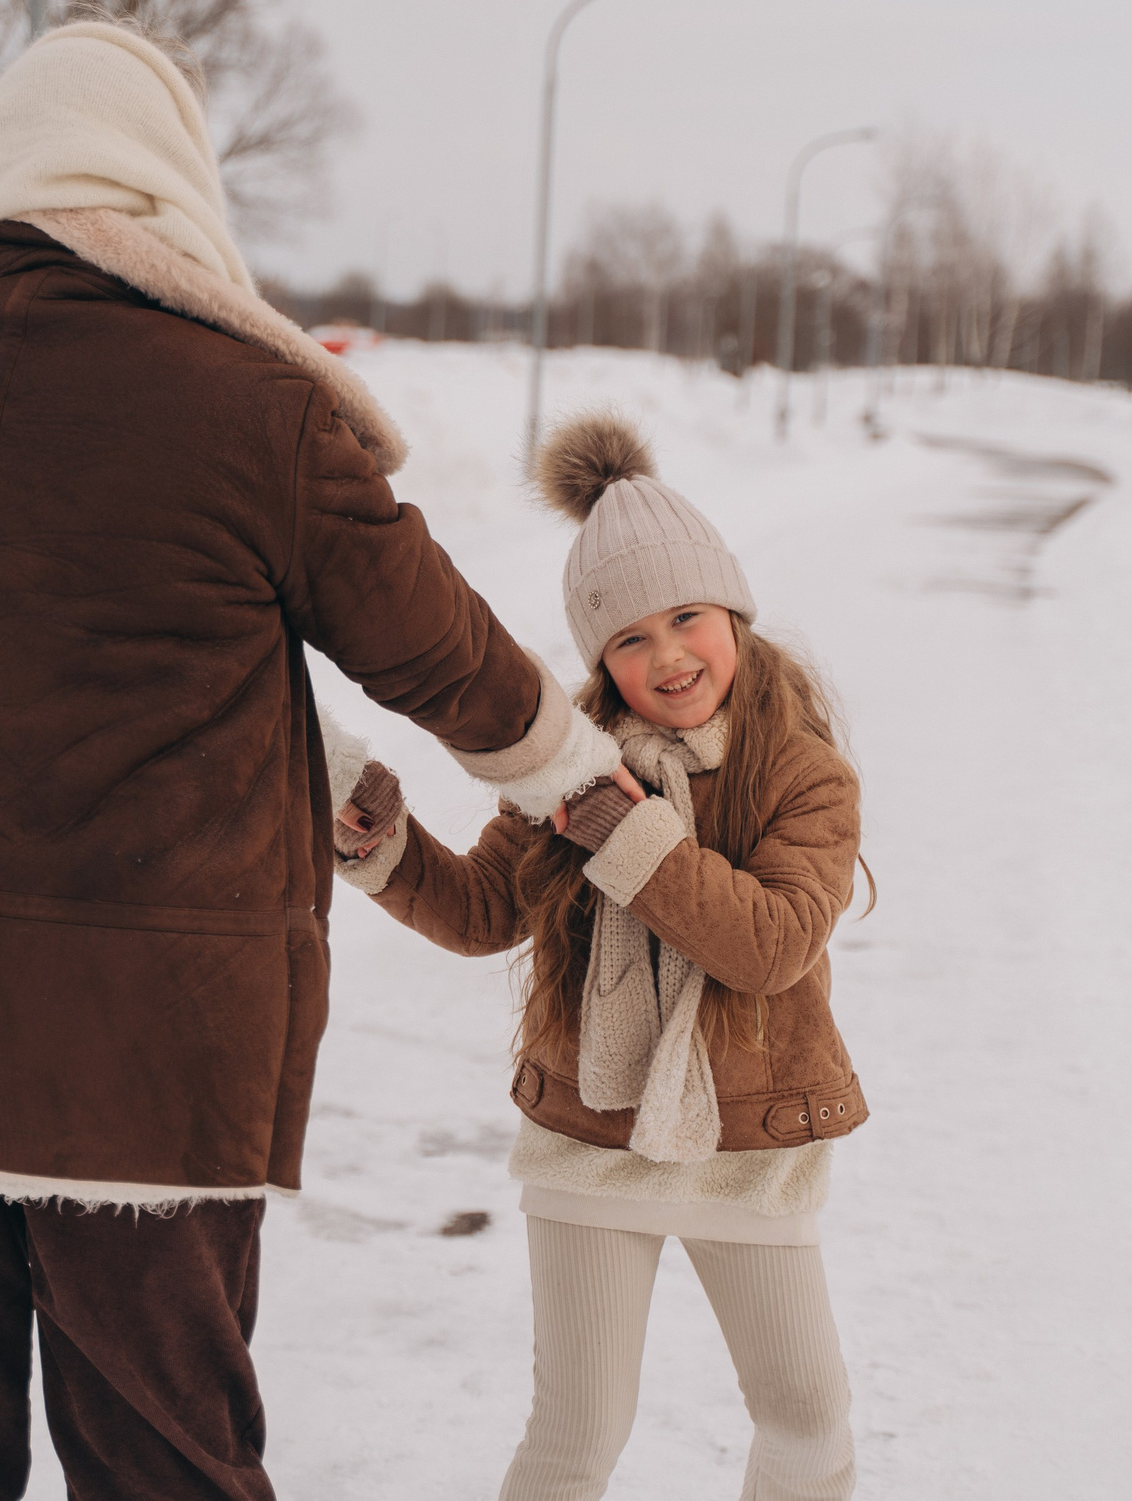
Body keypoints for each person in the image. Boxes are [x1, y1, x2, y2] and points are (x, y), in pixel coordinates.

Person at [0, 18, 615, 1501]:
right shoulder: (251, 405)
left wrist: (307, 758)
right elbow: (438, 652)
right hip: (139, 1045)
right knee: (163, 1458)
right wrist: (579, 779)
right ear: (163, 185)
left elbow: (17, 656)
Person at [334, 412, 873, 1501]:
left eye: (687, 618)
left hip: (747, 1135)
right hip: (592, 1132)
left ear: (732, 612)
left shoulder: (803, 772)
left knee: (807, 1416)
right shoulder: (565, 764)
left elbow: (766, 945)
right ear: (599, 657)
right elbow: (485, 907)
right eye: (629, 638)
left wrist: (620, 829)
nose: (667, 655)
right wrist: (381, 845)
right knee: (578, 1432)